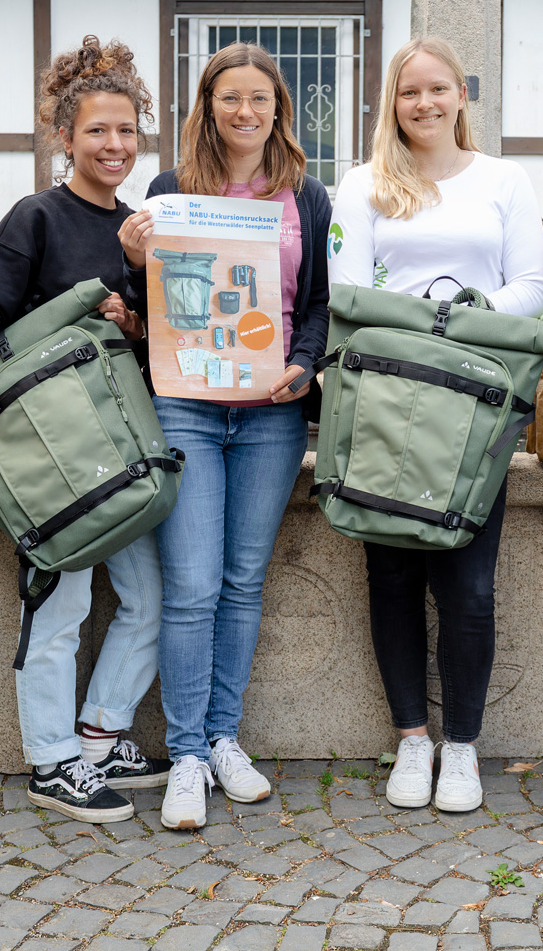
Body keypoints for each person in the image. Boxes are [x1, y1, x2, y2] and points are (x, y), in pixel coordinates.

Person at [0, 37, 171, 824]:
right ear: (64, 138)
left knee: (148, 598)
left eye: (127, 131)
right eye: (97, 131)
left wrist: (135, 310)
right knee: (60, 602)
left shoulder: (142, 230)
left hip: (123, 449)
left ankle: (99, 735)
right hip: (53, 455)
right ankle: (50, 759)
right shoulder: (37, 216)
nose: (114, 146)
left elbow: (153, 344)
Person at [327, 38, 543, 814]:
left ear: (462, 96)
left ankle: (462, 746)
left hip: (475, 405)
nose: (424, 104)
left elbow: (530, 283)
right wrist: (423, 330)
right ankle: (412, 738)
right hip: (388, 400)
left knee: (467, 584)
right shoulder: (364, 185)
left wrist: (467, 322)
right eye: (409, 92)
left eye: (438, 90)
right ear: (392, 102)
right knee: (390, 576)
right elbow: (347, 292)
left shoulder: (503, 180)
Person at [142, 41, 332, 830]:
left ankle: (225, 737)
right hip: (186, 402)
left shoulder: (307, 196)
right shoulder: (168, 191)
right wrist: (132, 256)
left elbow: (319, 302)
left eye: (259, 98)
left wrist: (304, 363)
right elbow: (140, 304)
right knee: (191, 586)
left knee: (245, 579)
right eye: (230, 98)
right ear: (208, 107)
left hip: (271, 410)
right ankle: (186, 753)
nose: (245, 111)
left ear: (278, 107)